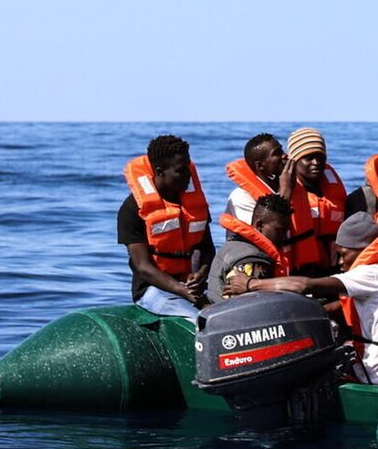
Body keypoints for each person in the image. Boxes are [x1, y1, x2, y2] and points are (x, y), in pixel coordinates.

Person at [225, 212, 378, 387]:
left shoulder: (369, 274)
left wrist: (251, 284)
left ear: (362, 249)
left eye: (342, 254)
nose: (340, 263)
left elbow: (306, 285)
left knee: (302, 369)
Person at [118, 134, 215, 320]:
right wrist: (182, 290)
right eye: (181, 171)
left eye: (188, 167)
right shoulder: (131, 209)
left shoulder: (194, 206)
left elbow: (208, 249)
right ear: (160, 171)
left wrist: (201, 273)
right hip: (152, 291)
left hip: (191, 287)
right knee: (200, 321)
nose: (189, 174)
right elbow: (143, 267)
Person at [223, 132, 326, 274]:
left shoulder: (295, 189)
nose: (285, 156)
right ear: (261, 166)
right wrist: (285, 192)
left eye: (282, 150)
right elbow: (267, 240)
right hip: (258, 272)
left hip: (292, 274)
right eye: (277, 153)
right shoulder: (241, 198)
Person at [286, 127, 348, 268]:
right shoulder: (285, 192)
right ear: (294, 161)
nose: (316, 162)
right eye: (309, 158)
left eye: (321, 157)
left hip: (334, 269)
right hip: (300, 272)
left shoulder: (335, 191)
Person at [210, 193, 295, 293]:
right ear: (260, 225)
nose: (285, 237)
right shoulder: (254, 260)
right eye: (280, 231)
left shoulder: (233, 244)